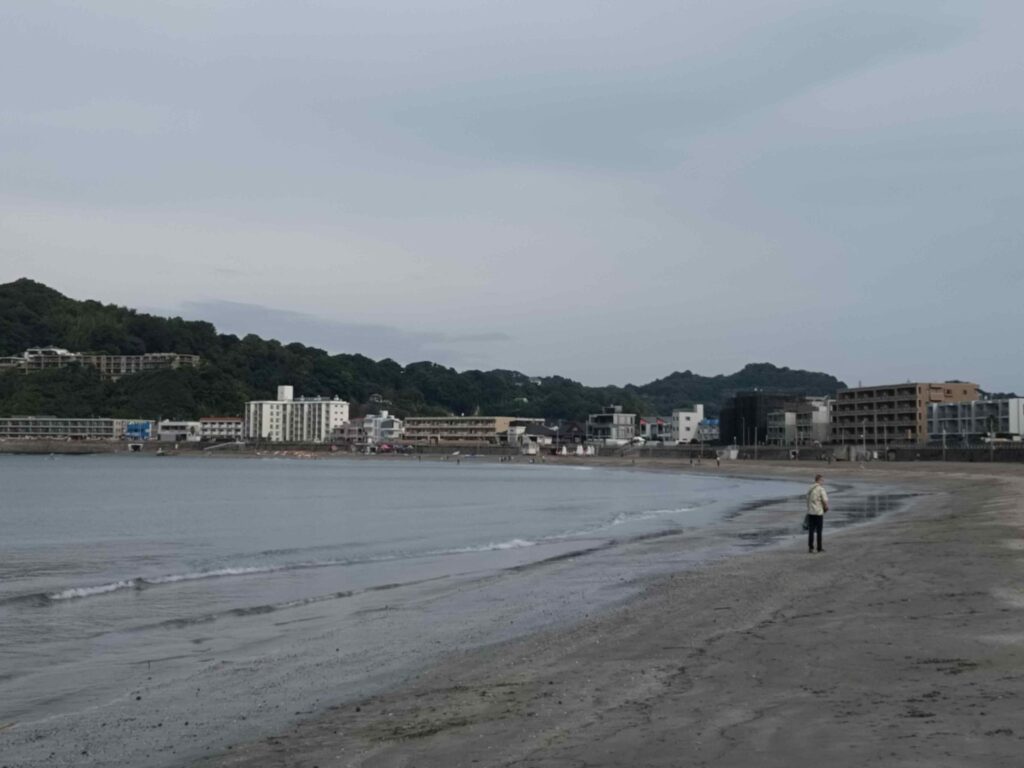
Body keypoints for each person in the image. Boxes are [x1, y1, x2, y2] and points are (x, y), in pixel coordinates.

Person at [806, 473, 829, 553]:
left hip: (810, 512)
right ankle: (819, 547)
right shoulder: (820, 488)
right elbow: (825, 500)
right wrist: (826, 508)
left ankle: (811, 548)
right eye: (822, 480)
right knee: (819, 531)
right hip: (818, 512)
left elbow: (807, 499)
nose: (823, 482)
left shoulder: (810, 488)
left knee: (811, 531)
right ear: (819, 480)